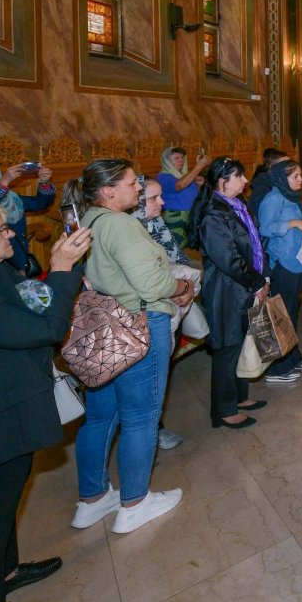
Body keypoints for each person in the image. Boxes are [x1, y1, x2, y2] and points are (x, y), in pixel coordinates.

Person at [0, 205, 89, 602]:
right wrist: (61, 270)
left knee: (7, 498)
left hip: (10, 402)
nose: (11, 234)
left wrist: (56, 269)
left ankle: (5, 571)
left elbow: (30, 301)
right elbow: (45, 328)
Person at [69, 159, 191, 533]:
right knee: (140, 417)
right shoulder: (119, 224)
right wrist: (182, 287)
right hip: (138, 324)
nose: (138, 187)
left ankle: (92, 499)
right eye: (130, 182)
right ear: (109, 191)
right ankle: (135, 502)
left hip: (105, 327)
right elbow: (152, 284)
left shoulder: (87, 218)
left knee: (100, 417)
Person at [190, 156, 269, 429]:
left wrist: (262, 277)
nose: (245, 180)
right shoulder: (213, 214)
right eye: (239, 176)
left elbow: (254, 245)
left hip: (243, 286)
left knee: (242, 342)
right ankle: (224, 410)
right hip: (227, 291)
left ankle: (239, 397)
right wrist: (257, 282)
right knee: (228, 348)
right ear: (222, 181)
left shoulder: (236, 206)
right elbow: (229, 260)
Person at [134, 177, 192, 451]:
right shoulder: (131, 230)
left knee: (161, 369)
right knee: (149, 377)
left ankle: (154, 427)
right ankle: (151, 432)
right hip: (149, 310)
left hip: (172, 301)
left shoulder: (156, 222)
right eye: (153, 198)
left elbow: (176, 255)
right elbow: (147, 278)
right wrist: (181, 287)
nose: (162, 202)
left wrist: (186, 286)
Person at [256, 160, 302, 383]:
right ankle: (276, 368)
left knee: (291, 311)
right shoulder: (273, 199)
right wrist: (292, 224)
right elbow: (265, 228)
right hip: (282, 262)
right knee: (280, 314)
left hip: (297, 260)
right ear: (281, 178)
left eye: (300, 175)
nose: (300, 180)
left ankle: (292, 356)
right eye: (295, 176)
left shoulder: (292, 197)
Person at [0, 158, 56, 273]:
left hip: (18, 258)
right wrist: (4, 181)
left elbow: (39, 204)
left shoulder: (10, 197)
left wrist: (44, 182)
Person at [157, 145, 210, 248]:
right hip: (175, 218)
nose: (181, 160)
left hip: (189, 216)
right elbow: (179, 186)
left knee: (187, 245)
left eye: (182, 157)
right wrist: (199, 167)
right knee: (174, 246)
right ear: (167, 161)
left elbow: (192, 194)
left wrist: (198, 185)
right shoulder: (163, 176)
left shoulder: (184, 176)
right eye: (176, 158)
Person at [247, 148, 289, 221]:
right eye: (284, 165)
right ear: (271, 167)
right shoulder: (263, 190)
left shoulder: (283, 183)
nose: (289, 169)